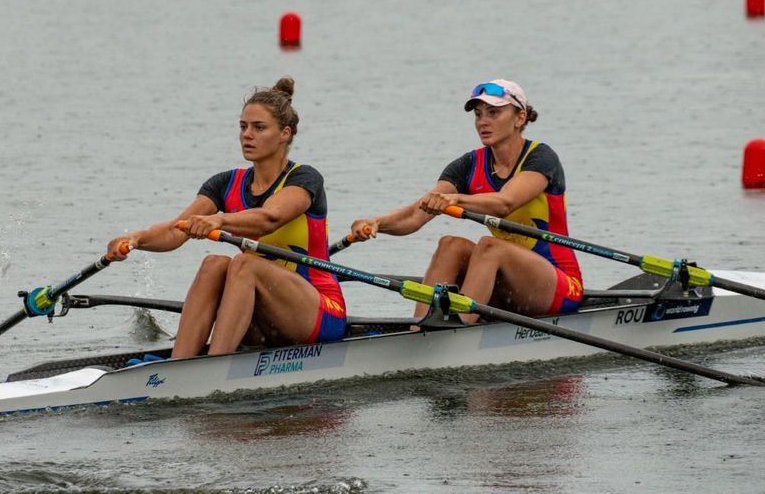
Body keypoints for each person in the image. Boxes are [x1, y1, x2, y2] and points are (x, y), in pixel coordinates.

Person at [106, 77, 346, 358]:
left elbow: (270, 217)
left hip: (320, 313)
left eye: (259, 128)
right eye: (243, 127)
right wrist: (135, 239)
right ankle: (179, 363)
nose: (247, 135)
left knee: (244, 264)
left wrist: (219, 220)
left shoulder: (305, 178)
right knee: (214, 264)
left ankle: (214, 366)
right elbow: (175, 232)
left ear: (285, 134)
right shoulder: (224, 184)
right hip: (261, 314)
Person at [350, 79, 583, 323]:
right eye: (479, 114)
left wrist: (456, 198)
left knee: (489, 246)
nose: (483, 121)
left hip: (558, 285)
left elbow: (505, 203)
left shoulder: (541, 157)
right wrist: (376, 222)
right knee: (450, 245)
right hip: (507, 286)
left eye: (494, 113)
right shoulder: (468, 165)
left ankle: (459, 330)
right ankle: (420, 331)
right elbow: (415, 215)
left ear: (520, 118)